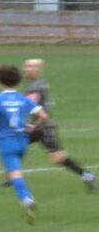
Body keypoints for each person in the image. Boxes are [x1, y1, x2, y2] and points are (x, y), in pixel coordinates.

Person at [0, 65, 49, 225]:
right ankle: (25, 197)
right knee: (16, 169)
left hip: (6, 141)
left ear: (0, 80)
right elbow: (43, 115)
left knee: (14, 172)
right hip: (23, 140)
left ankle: (26, 199)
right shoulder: (24, 98)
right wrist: (33, 126)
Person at [8, 59, 94, 192]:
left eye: (31, 66)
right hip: (37, 126)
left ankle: (87, 175)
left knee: (58, 158)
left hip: (43, 128)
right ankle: (14, 178)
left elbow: (32, 108)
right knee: (16, 145)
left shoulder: (36, 87)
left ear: (38, 69)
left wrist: (28, 123)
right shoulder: (35, 84)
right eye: (26, 66)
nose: (27, 69)